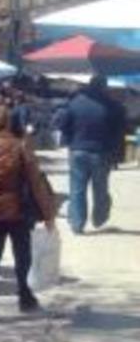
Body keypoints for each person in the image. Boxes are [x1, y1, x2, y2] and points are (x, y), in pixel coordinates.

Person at [0, 101, 56, 325]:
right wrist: (48, 214)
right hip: (16, 208)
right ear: (5, 120)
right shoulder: (20, 145)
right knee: (22, 255)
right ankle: (25, 297)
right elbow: (36, 182)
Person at [59, 75, 126, 234]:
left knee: (77, 188)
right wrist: (118, 154)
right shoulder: (113, 106)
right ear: (104, 87)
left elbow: (62, 124)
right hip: (101, 153)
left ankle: (77, 223)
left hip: (78, 151)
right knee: (100, 187)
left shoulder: (75, 103)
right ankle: (99, 218)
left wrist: (69, 140)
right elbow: (119, 131)